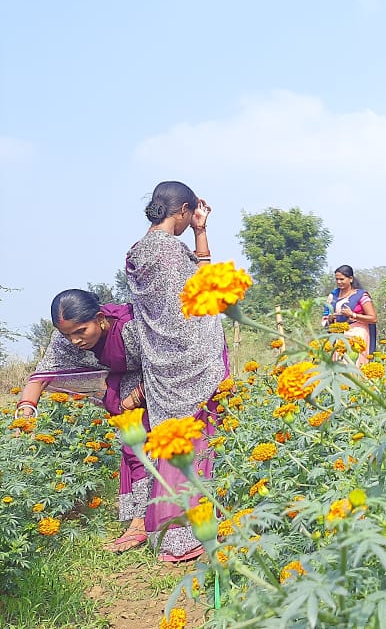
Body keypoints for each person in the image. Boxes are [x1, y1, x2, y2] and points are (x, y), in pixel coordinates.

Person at [126, 180, 228, 563]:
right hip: (194, 356)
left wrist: (200, 233)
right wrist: (201, 233)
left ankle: (170, 533)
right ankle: (190, 532)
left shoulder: (136, 253)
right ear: (183, 209)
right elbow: (204, 291)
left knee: (172, 444)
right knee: (198, 441)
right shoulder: (171, 252)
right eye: (192, 217)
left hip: (159, 363)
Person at [15, 289, 150, 552]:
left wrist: (138, 396)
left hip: (159, 386)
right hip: (124, 392)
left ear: (100, 318)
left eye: (81, 332)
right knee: (135, 451)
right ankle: (142, 520)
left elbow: (167, 363)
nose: (74, 341)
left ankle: (148, 521)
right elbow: (42, 374)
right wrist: (26, 410)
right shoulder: (65, 341)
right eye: (67, 335)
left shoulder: (131, 327)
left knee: (154, 449)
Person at [322, 265, 378, 365]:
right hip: (338, 336)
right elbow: (325, 317)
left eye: (342, 279)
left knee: (355, 366)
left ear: (350, 279)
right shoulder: (333, 296)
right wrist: (330, 319)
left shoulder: (361, 295)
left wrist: (353, 315)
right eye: (337, 279)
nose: (339, 282)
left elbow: (373, 318)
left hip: (357, 335)